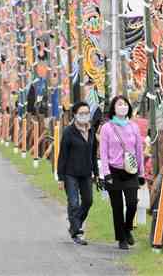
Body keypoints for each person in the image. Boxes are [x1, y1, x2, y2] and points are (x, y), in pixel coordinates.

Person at [99, 95, 144, 250]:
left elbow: (139, 151)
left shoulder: (134, 127)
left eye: (125, 104)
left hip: (130, 171)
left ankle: (128, 228)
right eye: (119, 104)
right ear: (113, 108)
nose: (122, 107)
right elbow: (103, 153)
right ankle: (121, 238)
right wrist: (106, 174)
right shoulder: (107, 128)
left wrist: (141, 173)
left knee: (132, 203)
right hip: (114, 171)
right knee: (117, 207)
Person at [57, 101, 98, 245]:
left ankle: (76, 223)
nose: (84, 116)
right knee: (74, 203)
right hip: (70, 174)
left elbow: (93, 153)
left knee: (88, 201)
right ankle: (76, 231)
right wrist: (60, 178)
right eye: (81, 113)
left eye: (87, 113)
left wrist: (96, 172)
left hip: (86, 173)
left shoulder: (91, 130)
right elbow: (62, 156)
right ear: (75, 115)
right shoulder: (69, 132)